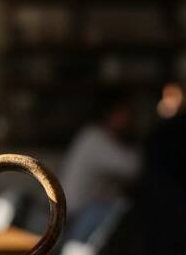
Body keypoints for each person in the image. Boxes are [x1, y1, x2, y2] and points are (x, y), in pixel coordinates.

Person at [60, 91, 140, 221]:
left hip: (80, 215)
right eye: (126, 112)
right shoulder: (95, 138)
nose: (131, 119)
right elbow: (133, 168)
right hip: (73, 219)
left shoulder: (94, 135)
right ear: (110, 113)